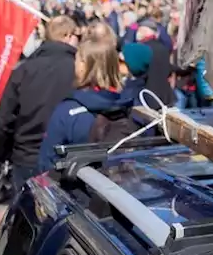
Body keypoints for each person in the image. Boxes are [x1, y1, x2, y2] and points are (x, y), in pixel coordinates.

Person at [37, 22, 145, 171]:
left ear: (83, 65)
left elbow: (46, 163)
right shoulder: (131, 105)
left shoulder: (68, 111)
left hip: (77, 190)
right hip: (117, 187)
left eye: (77, 59)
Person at [0, 15, 80, 189]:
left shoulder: (24, 69)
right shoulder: (78, 70)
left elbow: (4, 118)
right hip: (62, 156)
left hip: (27, 154)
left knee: (24, 212)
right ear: (68, 36)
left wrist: (7, 150)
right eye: (78, 36)